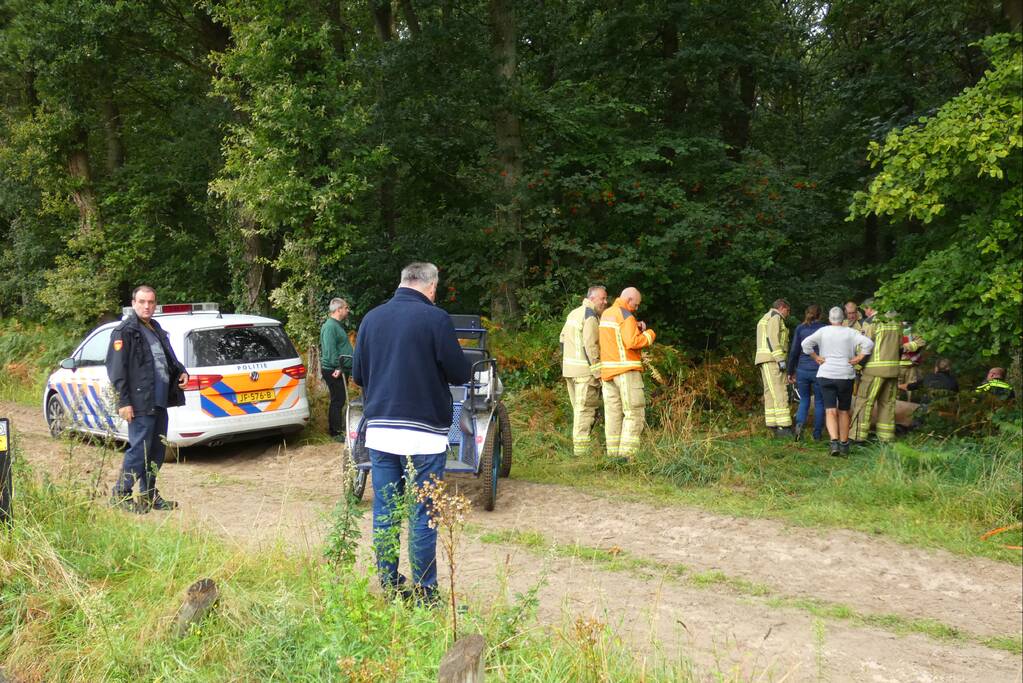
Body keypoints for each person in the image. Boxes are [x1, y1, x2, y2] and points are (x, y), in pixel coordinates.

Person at [351, 263, 470, 604]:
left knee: (386, 511)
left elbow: (358, 375)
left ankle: (389, 585)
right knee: (423, 512)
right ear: (431, 287)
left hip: (381, 431)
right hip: (424, 433)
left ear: (402, 282)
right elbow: (459, 372)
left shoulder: (371, 319)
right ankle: (424, 591)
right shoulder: (436, 319)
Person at [106, 285, 189, 513]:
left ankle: (148, 495)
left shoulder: (155, 327)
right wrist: (124, 402)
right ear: (133, 303)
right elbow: (117, 370)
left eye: (151, 302)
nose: (147, 306)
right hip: (139, 402)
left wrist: (181, 372)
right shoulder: (125, 331)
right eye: (142, 302)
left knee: (156, 451)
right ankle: (121, 496)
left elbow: (168, 358)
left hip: (159, 400)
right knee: (139, 451)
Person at [802, 307, 874, 456]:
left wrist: (816, 357)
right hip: (845, 375)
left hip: (826, 374)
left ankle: (833, 443)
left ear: (829, 319)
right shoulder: (851, 332)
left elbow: (805, 345)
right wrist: (859, 357)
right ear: (843, 319)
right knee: (844, 411)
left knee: (830, 410)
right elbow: (869, 344)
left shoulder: (823, 331)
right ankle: (844, 444)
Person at [598, 287, 655, 463]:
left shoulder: (607, 313)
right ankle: (627, 457)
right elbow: (632, 342)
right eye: (636, 305)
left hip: (608, 373)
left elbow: (616, 339)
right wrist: (649, 334)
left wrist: (635, 327)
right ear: (629, 300)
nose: (636, 309)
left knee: (613, 414)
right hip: (626, 371)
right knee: (634, 412)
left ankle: (613, 455)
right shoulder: (626, 315)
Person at [559, 285, 608, 456]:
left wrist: (565, 366)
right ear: (593, 298)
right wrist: (598, 372)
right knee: (585, 412)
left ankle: (580, 450)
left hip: (570, 372)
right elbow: (591, 345)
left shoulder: (574, 313)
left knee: (578, 411)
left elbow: (562, 339)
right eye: (603, 298)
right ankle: (581, 454)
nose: (605, 302)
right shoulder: (590, 315)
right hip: (584, 374)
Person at [849, 299, 903, 444]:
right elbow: (901, 346)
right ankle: (885, 438)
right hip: (893, 369)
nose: (865, 312)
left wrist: (859, 366)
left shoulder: (871, 322)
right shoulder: (897, 321)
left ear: (870, 308)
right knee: (888, 404)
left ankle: (857, 437)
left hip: (874, 370)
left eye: (866, 309)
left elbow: (865, 347)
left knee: (864, 402)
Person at [787, 304, 826, 441]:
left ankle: (798, 429)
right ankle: (817, 434)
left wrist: (790, 371)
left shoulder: (800, 328)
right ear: (820, 315)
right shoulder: (824, 329)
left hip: (802, 370)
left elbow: (794, 352)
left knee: (804, 400)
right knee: (820, 402)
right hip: (819, 369)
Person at [755, 298, 793, 436]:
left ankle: (772, 424)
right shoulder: (775, 317)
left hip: (765, 360)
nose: (788, 314)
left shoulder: (765, 318)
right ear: (782, 307)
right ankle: (784, 427)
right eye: (788, 310)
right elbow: (772, 338)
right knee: (779, 390)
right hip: (772, 360)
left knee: (770, 392)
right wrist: (780, 359)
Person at [320, 297, 354, 441]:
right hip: (333, 369)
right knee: (337, 400)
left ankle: (339, 428)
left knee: (339, 399)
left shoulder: (336, 325)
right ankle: (335, 433)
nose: (348, 310)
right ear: (338, 309)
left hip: (339, 368)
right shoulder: (330, 326)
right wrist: (338, 366)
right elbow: (329, 350)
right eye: (346, 308)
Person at [898, 322, 927, 400]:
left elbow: (922, 342)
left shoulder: (912, 328)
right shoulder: (892, 328)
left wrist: (906, 347)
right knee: (895, 390)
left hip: (912, 365)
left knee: (911, 389)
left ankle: (910, 407)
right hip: (897, 365)